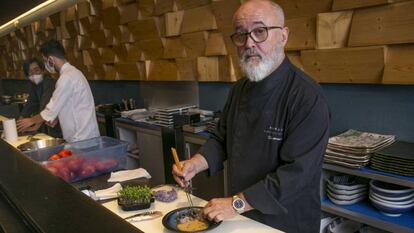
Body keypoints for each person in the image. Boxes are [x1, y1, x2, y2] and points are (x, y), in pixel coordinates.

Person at [172, 0, 330, 232]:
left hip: (285, 221)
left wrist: (237, 203)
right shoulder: (239, 90)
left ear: (283, 36)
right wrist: (195, 164)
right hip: (242, 216)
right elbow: (221, 138)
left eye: (259, 31)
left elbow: (297, 173)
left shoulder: (307, 97)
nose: (249, 43)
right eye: (241, 34)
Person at [17, 40, 99, 143]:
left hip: (81, 138)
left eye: (45, 60)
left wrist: (31, 121)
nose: (46, 64)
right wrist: (56, 117)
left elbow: (49, 111)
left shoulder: (66, 78)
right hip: (83, 136)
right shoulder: (74, 72)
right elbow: (68, 104)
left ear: (51, 59)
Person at [19, 58, 61, 137]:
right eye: (30, 72)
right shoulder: (34, 85)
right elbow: (30, 103)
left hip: (57, 121)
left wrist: (35, 126)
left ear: (43, 70)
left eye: (36, 70)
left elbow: (45, 105)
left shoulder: (48, 82)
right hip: (45, 120)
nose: (33, 74)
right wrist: (21, 120)